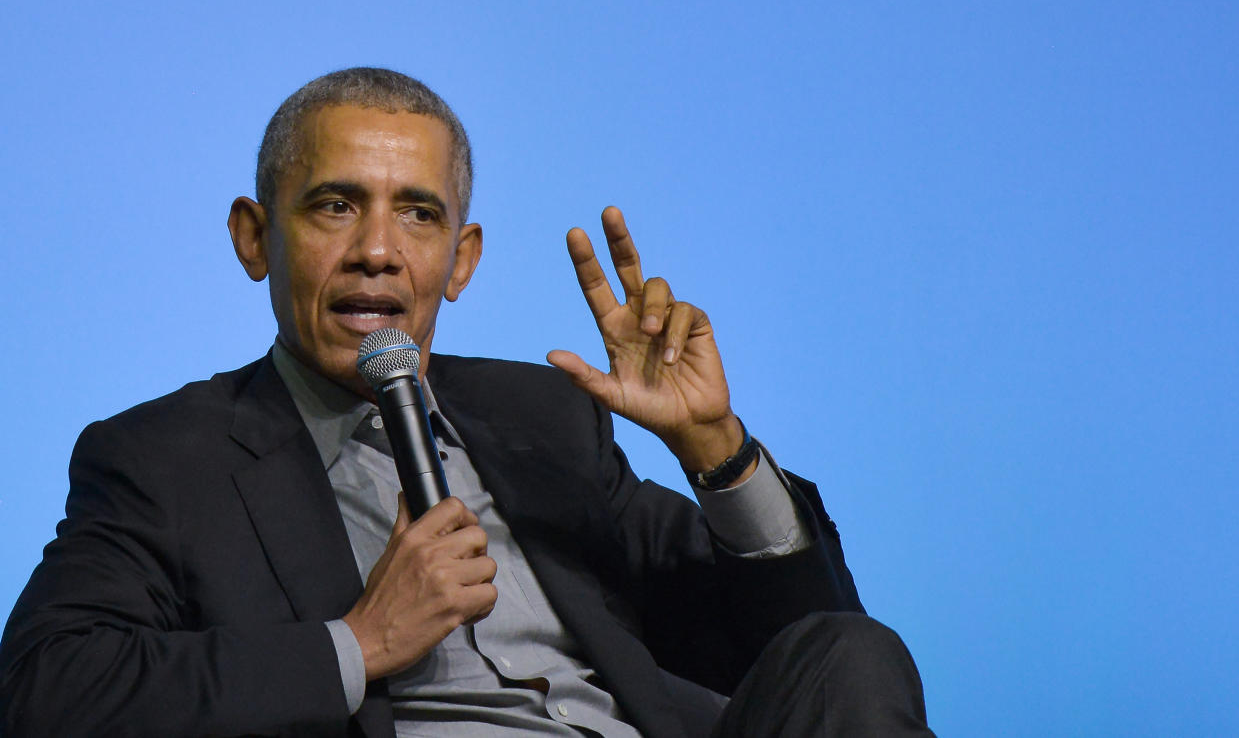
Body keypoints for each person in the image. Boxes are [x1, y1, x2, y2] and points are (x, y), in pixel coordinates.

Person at [0, 68, 933, 737]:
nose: (377, 249)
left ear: (462, 260)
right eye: (334, 206)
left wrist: (716, 452)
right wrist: (358, 643)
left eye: (418, 213)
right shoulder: (167, 458)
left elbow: (784, 646)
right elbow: (47, 688)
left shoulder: (542, 419)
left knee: (850, 655)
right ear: (254, 239)